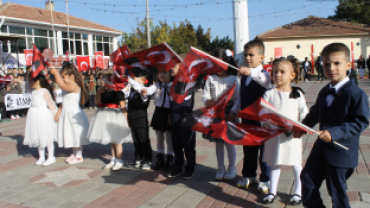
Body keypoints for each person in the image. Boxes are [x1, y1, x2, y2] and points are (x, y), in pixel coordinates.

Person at [297, 43, 369, 208]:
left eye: (337, 63)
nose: (331, 68)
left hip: (341, 151)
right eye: (327, 64)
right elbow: (316, 112)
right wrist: (302, 127)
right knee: (307, 179)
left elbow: (360, 121)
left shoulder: (356, 94)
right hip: (320, 148)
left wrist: (334, 133)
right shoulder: (324, 91)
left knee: (336, 191)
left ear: (349, 65)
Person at [261, 57, 308, 205]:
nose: (277, 75)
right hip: (275, 135)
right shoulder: (269, 93)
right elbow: (262, 112)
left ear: (292, 75)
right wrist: (265, 123)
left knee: (296, 164)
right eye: (275, 71)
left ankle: (298, 192)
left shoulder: (297, 94)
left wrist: (302, 127)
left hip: (293, 135)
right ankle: (272, 191)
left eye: (282, 71)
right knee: (275, 162)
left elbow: (304, 113)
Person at [227, 38, 271, 194]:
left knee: (264, 151)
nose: (247, 58)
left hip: (262, 121)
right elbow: (241, 97)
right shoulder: (244, 76)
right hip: (247, 119)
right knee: (249, 149)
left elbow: (263, 80)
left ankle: (266, 179)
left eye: (251, 55)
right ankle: (249, 175)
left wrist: (250, 72)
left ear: (262, 57)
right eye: (245, 55)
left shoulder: (265, 75)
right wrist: (234, 111)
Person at [202, 49, 239, 181]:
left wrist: (233, 112)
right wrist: (207, 101)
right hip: (216, 114)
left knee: (229, 142)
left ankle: (232, 168)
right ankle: (221, 167)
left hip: (229, 114)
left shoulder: (234, 79)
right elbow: (205, 95)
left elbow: (238, 98)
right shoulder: (210, 79)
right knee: (218, 143)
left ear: (227, 63)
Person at [87, 71, 131, 171]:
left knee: (117, 140)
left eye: (106, 78)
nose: (103, 80)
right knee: (112, 140)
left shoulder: (118, 92)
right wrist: (99, 92)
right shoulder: (103, 91)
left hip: (116, 116)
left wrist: (127, 120)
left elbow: (123, 107)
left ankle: (119, 160)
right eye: (103, 78)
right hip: (105, 115)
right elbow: (97, 102)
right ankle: (113, 159)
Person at [50, 62, 90, 165]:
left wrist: (55, 74)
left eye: (64, 76)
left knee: (76, 134)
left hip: (74, 115)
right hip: (67, 113)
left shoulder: (74, 86)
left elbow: (62, 86)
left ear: (71, 76)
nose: (62, 79)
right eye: (61, 76)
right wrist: (59, 112)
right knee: (71, 134)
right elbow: (64, 101)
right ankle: (74, 153)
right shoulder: (68, 87)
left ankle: (79, 155)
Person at [139, 70, 174, 171]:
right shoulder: (157, 85)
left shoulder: (174, 85)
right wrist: (145, 90)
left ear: (171, 74)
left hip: (169, 112)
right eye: (160, 73)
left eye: (164, 73)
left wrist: (171, 116)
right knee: (159, 137)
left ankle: (170, 158)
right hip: (159, 112)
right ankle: (160, 157)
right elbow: (149, 90)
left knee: (169, 137)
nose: (162, 75)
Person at [23, 73, 58, 166]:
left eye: (31, 80)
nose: (29, 82)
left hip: (43, 116)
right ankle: (41, 157)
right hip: (34, 116)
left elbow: (51, 105)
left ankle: (51, 157)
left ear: (37, 81)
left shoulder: (44, 91)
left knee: (47, 136)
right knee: (38, 136)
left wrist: (55, 115)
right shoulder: (33, 92)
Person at [124, 75, 153, 170]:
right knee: (135, 139)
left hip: (140, 118)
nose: (132, 79)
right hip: (132, 117)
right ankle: (138, 158)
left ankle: (148, 159)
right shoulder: (132, 90)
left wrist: (130, 80)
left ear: (142, 80)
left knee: (143, 138)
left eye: (135, 77)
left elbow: (143, 97)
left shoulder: (144, 89)